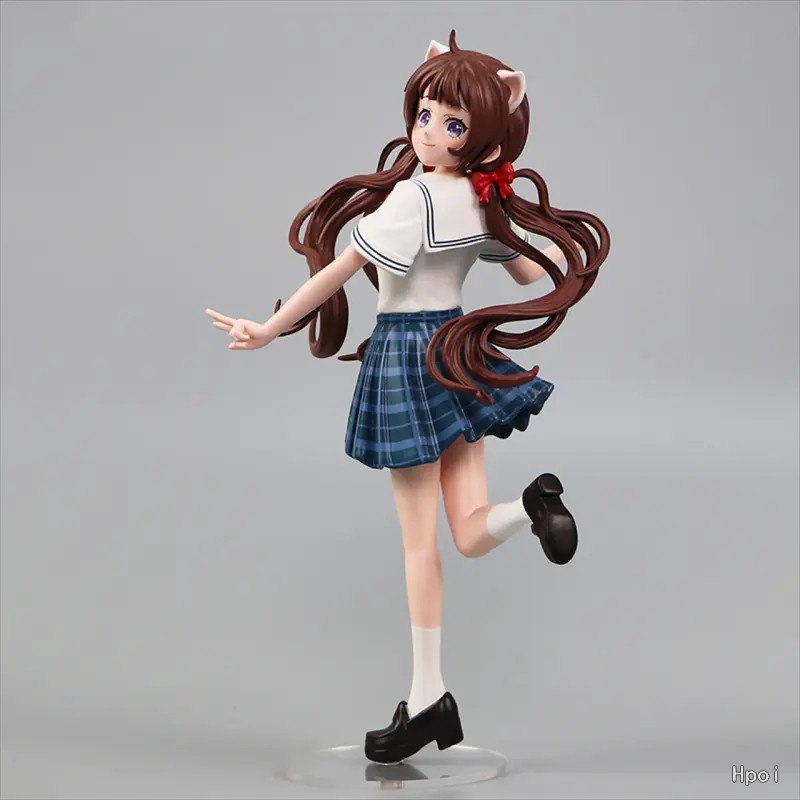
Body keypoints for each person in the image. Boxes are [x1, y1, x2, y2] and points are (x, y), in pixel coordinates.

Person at [206, 30, 610, 764]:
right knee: (471, 532)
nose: (428, 133)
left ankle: (427, 695)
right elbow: (532, 272)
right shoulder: (483, 204)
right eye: (425, 115)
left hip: (406, 357)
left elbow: (339, 270)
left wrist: (270, 327)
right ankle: (532, 507)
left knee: (421, 544)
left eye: (451, 124)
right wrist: (567, 253)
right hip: (459, 353)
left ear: (484, 130)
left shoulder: (414, 197)